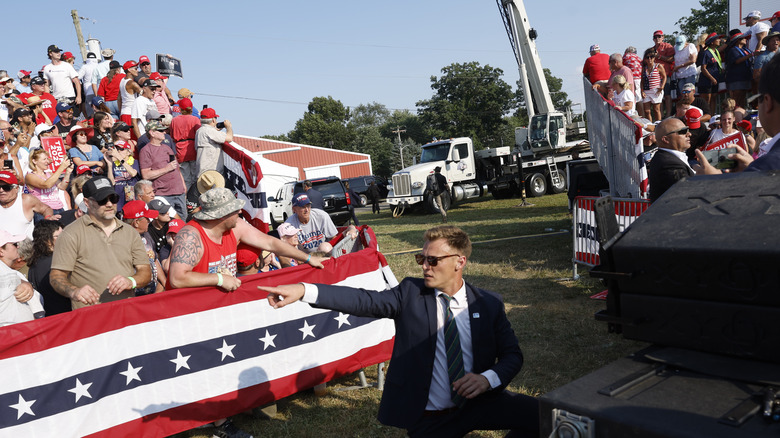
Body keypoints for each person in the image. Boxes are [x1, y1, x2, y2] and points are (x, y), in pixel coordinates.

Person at [259, 225, 539, 438]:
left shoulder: (488, 304)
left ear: (459, 262)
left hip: (479, 402)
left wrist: (487, 379)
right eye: (422, 259)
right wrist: (305, 290)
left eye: (433, 261)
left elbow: (513, 356)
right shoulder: (410, 294)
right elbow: (362, 300)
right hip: (431, 416)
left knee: (544, 416)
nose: (425, 267)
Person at [167, 187, 325, 290]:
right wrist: (219, 279)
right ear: (222, 215)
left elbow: (270, 242)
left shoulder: (236, 227)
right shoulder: (190, 236)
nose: (240, 212)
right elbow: (177, 279)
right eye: (235, 210)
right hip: (188, 313)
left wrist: (308, 258)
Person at [50, 177, 151, 309]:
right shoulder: (71, 233)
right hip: (91, 316)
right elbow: (56, 275)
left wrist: (131, 281)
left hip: (126, 312)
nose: (109, 204)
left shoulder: (130, 232)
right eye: (102, 200)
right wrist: (74, 291)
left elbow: (145, 271)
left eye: (113, 198)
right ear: (87, 202)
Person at [695, 55, 780, 172]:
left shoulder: (767, 165)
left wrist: (714, 180)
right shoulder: (762, 165)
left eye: (757, 99)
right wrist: (750, 166)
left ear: (767, 102)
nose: (726, 122)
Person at [139, 120, 187, 217]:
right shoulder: (145, 151)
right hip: (163, 195)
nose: (164, 132)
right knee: (167, 223)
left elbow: (176, 168)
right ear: (152, 133)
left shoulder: (167, 148)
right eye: (160, 131)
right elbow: (146, 175)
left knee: (182, 222)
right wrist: (166, 169)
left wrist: (183, 185)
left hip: (179, 193)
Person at [284, 193, 357, 253]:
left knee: (325, 247)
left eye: (308, 205)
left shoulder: (321, 216)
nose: (307, 210)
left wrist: (351, 229)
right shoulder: (289, 225)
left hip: (325, 253)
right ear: (294, 209)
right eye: (302, 207)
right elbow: (290, 250)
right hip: (305, 258)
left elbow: (333, 238)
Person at [0, 229, 44, 326]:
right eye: (14, 244)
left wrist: (24, 283)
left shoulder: (12, 273)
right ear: (1, 251)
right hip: (10, 333)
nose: (18, 246)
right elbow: (38, 312)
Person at [27, 220, 71, 316]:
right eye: (59, 236)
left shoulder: (35, 262)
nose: (65, 238)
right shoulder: (54, 263)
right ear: (47, 240)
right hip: (63, 316)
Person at [122, 200, 165, 295]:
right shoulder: (122, 242)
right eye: (147, 218)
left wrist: (164, 283)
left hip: (152, 292)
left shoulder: (146, 235)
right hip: (134, 295)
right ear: (136, 222)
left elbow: (153, 259)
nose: (150, 221)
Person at [0, 170, 56, 239]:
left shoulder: (26, 200)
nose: (1, 190)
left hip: (23, 248)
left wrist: (48, 217)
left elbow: (46, 209)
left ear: (16, 188)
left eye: (6, 188)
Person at [648, 118, 693, 202]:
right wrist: (709, 175)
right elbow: (689, 193)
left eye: (688, 130)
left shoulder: (667, 158)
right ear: (666, 139)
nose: (689, 134)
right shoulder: (668, 164)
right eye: (683, 131)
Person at [24, 149, 73, 216]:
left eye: (47, 158)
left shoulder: (50, 174)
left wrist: (68, 172)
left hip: (59, 208)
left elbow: (62, 186)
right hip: (44, 212)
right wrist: (61, 167)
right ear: (34, 161)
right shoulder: (30, 176)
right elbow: (46, 185)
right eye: (44, 159)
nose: (47, 161)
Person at [170, 97, 201, 188]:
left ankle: (185, 200)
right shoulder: (195, 120)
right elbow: (199, 135)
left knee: (185, 179)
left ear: (180, 108)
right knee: (195, 178)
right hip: (193, 150)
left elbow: (172, 136)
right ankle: (194, 200)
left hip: (180, 150)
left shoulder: (174, 120)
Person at [195, 107, 233, 175]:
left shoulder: (199, 130)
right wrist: (228, 127)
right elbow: (229, 138)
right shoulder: (210, 131)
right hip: (211, 171)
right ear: (213, 120)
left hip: (202, 170)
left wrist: (216, 130)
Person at [104, 139, 139, 211]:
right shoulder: (114, 164)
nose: (118, 151)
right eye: (117, 149)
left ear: (128, 152)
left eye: (121, 149)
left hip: (131, 196)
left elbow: (133, 173)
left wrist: (119, 157)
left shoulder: (134, 162)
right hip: (118, 197)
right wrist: (110, 165)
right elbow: (111, 183)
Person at [725, 31, 756, 109]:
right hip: (736, 78)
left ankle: (741, 116)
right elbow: (737, 60)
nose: (745, 39)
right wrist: (751, 55)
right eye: (743, 38)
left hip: (746, 76)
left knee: (742, 98)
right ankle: (735, 117)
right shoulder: (733, 50)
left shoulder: (746, 49)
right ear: (738, 40)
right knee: (736, 100)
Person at [698, 33, 725, 109]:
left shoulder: (716, 52)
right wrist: (711, 78)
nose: (719, 40)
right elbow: (703, 68)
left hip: (715, 79)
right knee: (706, 101)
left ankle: (711, 117)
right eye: (717, 39)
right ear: (712, 42)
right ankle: (705, 117)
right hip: (706, 80)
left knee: (713, 99)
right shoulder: (706, 53)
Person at [652, 30, 676, 118]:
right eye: (655, 37)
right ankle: (660, 116)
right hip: (655, 76)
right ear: (653, 39)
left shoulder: (667, 46)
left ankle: (668, 114)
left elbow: (672, 59)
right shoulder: (652, 49)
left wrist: (659, 56)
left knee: (667, 94)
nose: (657, 38)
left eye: (659, 36)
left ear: (663, 37)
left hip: (665, 75)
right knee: (658, 97)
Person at [640, 48, 666, 122]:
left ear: (654, 58)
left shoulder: (658, 66)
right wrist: (642, 91)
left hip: (656, 89)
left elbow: (664, 77)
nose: (649, 59)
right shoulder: (644, 68)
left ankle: (658, 125)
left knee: (656, 109)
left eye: (651, 57)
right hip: (646, 90)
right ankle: (650, 127)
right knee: (647, 111)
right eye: (647, 57)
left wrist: (662, 87)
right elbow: (642, 81)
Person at [623, 46, 644, 115]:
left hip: (631, 79)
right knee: (638, 98)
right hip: (639, 78)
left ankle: (634, 115)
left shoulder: (626, 56)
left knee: (633, 98)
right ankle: (642, 116)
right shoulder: (638, 58)